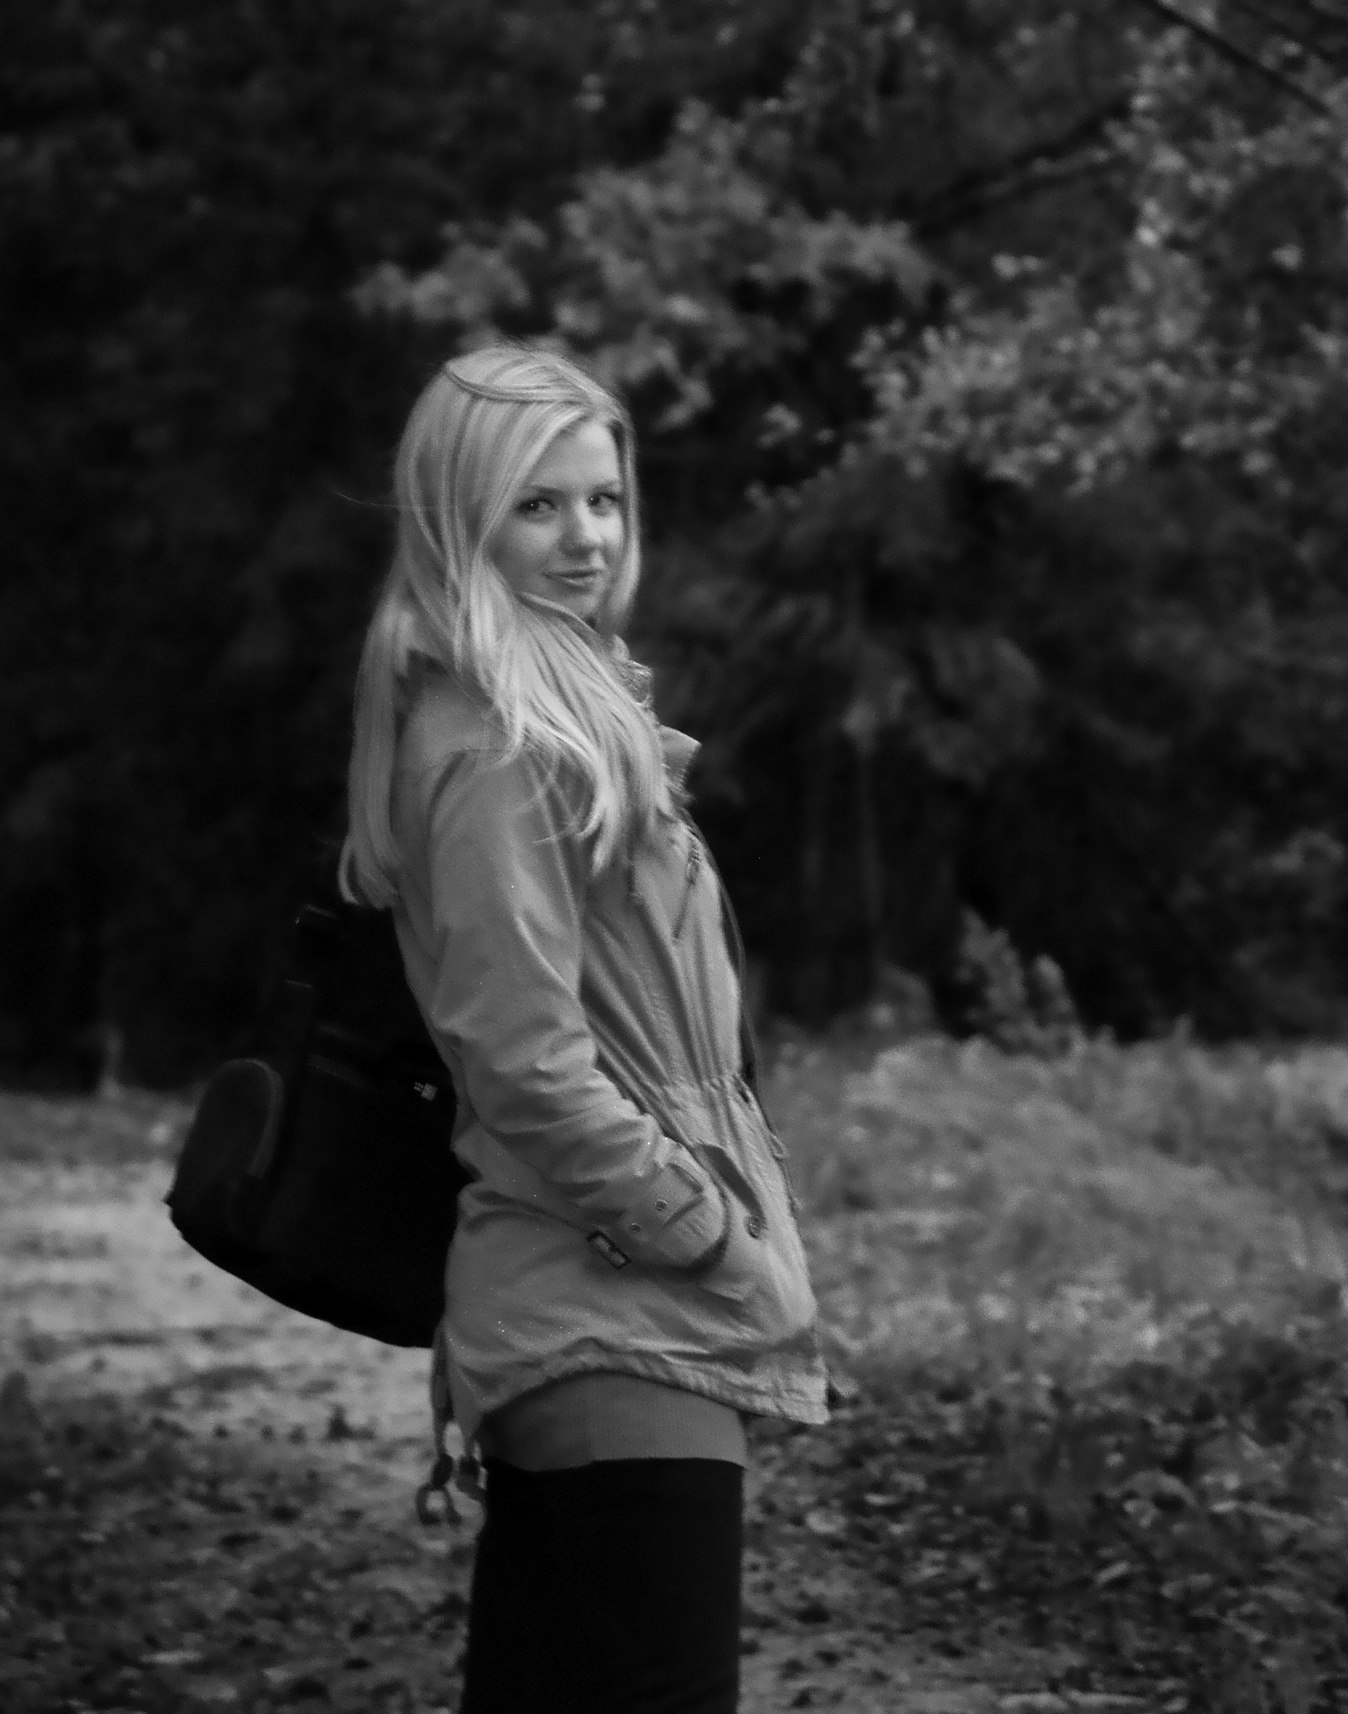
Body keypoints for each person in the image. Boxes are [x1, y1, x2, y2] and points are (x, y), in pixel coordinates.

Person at [339, 343, 827, 1713]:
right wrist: (701, 1229)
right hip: (608, 1304)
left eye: (604, 499)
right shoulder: (501, 746)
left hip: (595, 1299)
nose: (586, 538)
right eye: (538, 505)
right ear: (460, 518)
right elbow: (523, 1058)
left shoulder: (560, 711)